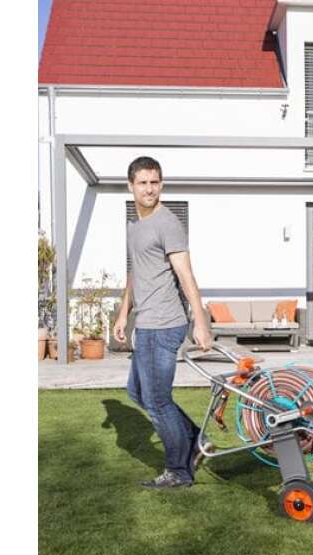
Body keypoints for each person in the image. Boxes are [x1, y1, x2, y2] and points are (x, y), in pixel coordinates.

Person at [113, 156, 214, 489]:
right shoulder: (134, 225)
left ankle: (178, 471)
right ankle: (196, 439)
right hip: (146, 323)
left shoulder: (167, 223)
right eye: (143, 183)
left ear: (161, 184)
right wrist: (124, 312)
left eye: (154, 182)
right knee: (137, 392)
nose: (149, 189)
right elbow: (136, 271)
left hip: (164, 324)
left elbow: (186, 276)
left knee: (157, 400)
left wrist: (201, 323)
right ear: (131, 186)